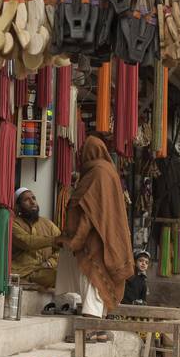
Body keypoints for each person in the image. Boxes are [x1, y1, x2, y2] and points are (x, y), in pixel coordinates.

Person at [54, 135, 134, 318]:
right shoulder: (107, 171)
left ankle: (91, 326)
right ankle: (98, 326)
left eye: (83, 152)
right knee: (95, 280)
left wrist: (77, 239)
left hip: (94, 238)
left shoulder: (98, 173)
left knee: (93, 278)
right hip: (102, 234)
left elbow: (89, 211)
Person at [11, 187, 61, 289]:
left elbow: (62, 246)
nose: (32, 202)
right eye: (26, 200)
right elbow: (26, 242)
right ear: (18, 207)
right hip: (24, 271)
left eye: (33, 198)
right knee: (58, 277)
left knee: (64, 274)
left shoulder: (48, 224)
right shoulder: (14, 223)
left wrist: (51, 262)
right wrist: (53, 240)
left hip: (44, 269)